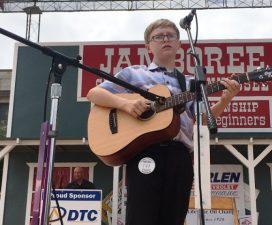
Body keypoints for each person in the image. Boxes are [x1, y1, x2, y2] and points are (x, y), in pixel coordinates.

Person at [87, 19, 240, 225]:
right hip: (144, 152)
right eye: (158, 36)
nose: (165, 39)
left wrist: (225, 99)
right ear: (148, 46)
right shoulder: (133, 73)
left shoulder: (189, 83)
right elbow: (94, 93)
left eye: (171, 35)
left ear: (179, 44)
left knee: (174, 218)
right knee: (141, 217)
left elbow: (202, 119)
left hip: (180, 156)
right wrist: (125, 105)